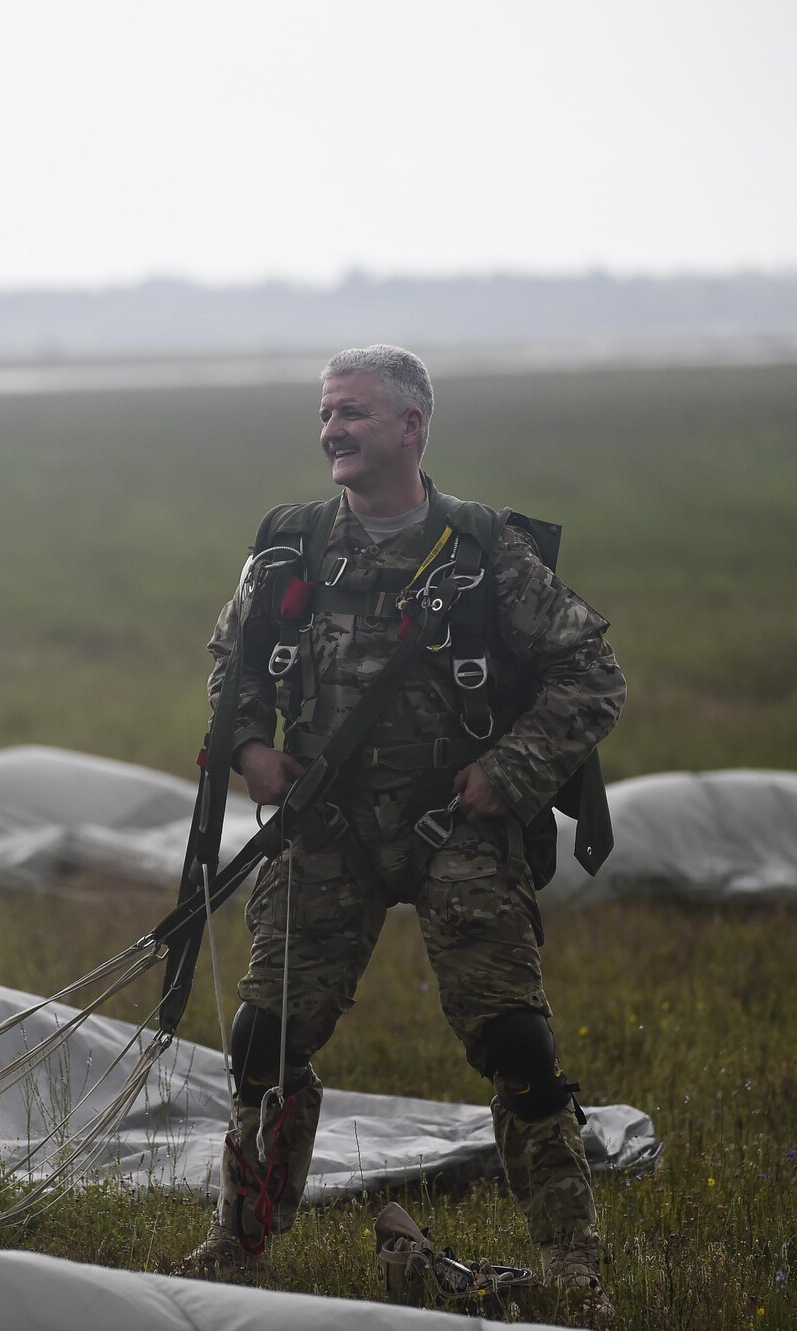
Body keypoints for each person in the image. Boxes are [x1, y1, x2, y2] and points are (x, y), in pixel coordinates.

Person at [178, 346, 626, 1320]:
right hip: (324, 827)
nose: (332, 430)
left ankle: (570, 1265)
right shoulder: (290, 545)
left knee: (516, 1042)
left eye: (353, 414)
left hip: (455, 826)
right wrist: (251, 747)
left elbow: (591, 670)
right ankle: (237, 1241)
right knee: (263, 1035)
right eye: (325, 414)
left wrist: (507, 774)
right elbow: (234, 657)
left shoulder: (481, 550)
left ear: (410, 427)